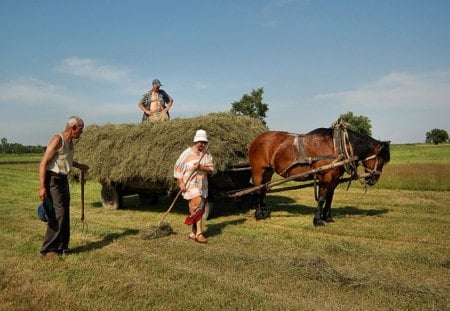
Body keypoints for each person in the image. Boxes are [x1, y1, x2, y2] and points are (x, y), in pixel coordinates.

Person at [38, 116, 89, 258]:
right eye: (81, 129)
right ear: (73, 127)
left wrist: (80, 166)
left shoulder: (70, 143)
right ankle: (48, 250)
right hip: (53, 180)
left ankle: (61, 248)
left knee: (65, 213)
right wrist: (42, 187)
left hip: (63, 180)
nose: (82, 132)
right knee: (57, 214)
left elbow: (67, 160)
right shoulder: (58, 139)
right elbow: (43, 164)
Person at [174, 129, 214, 243]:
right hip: (189, 183)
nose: (203, 144)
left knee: (193, 207)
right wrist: (181, 183)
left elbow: (211, 169)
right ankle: (199, 233)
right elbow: (177, 168)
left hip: (202, 184)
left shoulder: (206, 154)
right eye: (201, 142)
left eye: (204, 142)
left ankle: (193, 232)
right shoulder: (187, 153)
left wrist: (201, 167)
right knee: (199, 203)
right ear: (196, 141)